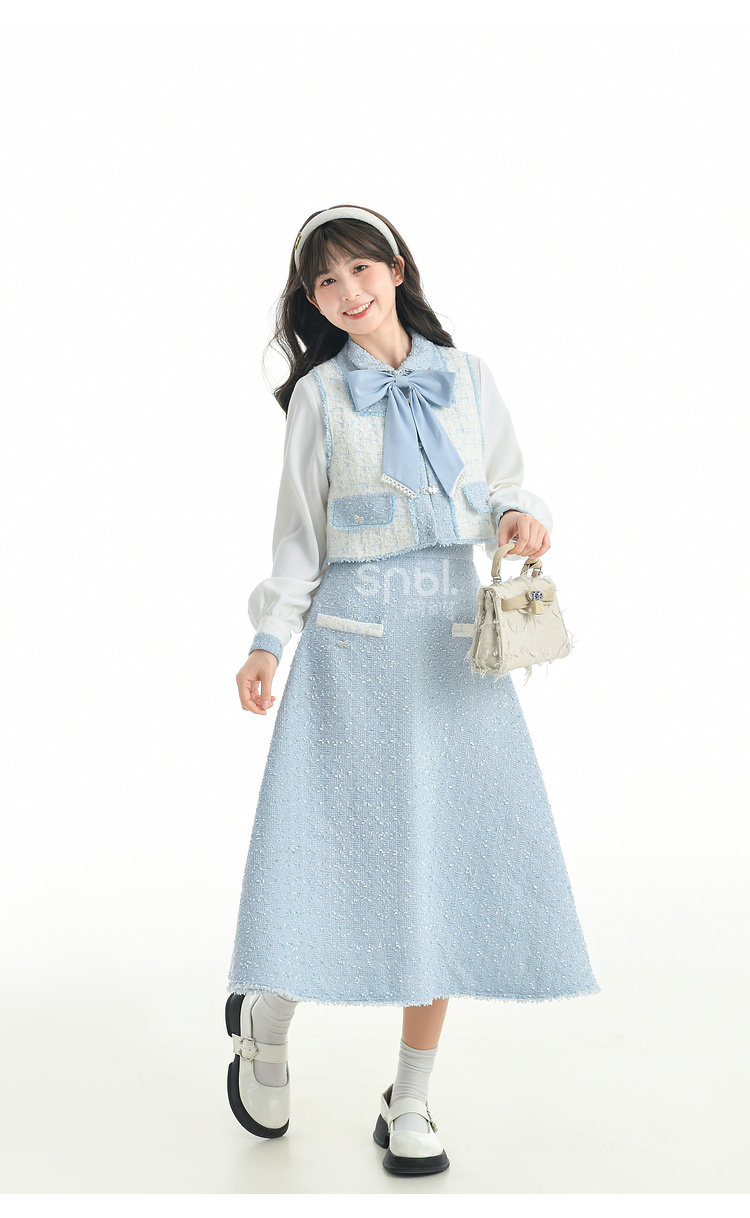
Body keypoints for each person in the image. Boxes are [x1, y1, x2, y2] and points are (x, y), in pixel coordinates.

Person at [225, 204, 600, 1176]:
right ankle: (268, 1019)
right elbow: (299, 539)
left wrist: (520, 518)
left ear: (396, 269)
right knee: (328, 862)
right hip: (351, 659)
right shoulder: (318, 398)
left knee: (444, 873)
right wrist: (269, 640)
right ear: (312, 302)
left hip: (454, 657)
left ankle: (413, 1098)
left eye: (360, 270)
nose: (347, 293)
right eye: (325, 282)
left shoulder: (468, 378)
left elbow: (510, 482)